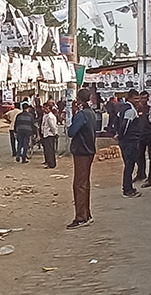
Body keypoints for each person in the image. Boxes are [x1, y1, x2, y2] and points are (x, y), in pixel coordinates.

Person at [67, 89, 97, 229]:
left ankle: (81, 217)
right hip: (89, 150)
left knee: (79, 184)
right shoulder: (91, 113)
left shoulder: (81, 115)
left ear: (78, 99)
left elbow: (71, 132)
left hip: (81, 151)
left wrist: (74, 114)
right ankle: (87, 213)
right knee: (85, 183)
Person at [117, 90, 142, 198]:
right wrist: (120, 135)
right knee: (129, 165)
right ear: (130, 98)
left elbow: (116, 120)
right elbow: (124, 125)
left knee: (129, 165)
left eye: (138, 98)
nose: (138, 101)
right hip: (129, 141)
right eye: (136, 98)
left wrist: (117, 133)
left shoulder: (123, 108)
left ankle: (129, 187)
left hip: (125, 141)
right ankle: (127, 190)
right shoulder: (130, 110)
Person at [134, 91, 151, 183]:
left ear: (148, 98)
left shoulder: (150, 109)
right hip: (139, 135)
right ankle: (141, 173)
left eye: (145, 98)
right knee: (139, 155)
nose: (143, 100)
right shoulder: (136, 109)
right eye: (142, 98)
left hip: (149, 134)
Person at [41, 103, 59, 169]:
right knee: (48, 150)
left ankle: (51, 163)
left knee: (50, 150)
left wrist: (55, 133)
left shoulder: (50, 117)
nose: (45, 110)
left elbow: (52, 126)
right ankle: (49, 162)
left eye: (46, 109)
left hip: (50, 135)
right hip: (46, 134)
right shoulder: (46, 116)